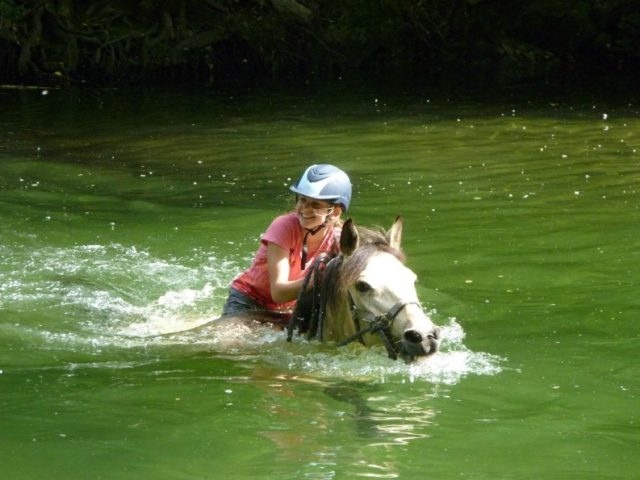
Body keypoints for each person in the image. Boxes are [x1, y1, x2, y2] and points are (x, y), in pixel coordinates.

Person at [221, 164, 352, 323]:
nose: (305, 209)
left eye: (315, 205)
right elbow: (279, 293)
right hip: (249, 302)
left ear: (335, 211)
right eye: (302, 200)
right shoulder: (283, 226)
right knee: (231, 345)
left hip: (292, 309)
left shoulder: (338, 240)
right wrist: (320, 278)